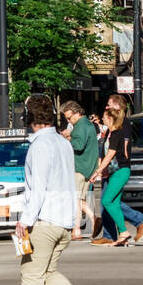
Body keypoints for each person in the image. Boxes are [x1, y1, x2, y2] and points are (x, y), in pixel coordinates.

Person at [7, 94, 99, 285]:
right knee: (47, 272)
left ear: (29, 117)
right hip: (63, 221)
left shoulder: (40, 146)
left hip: (43, 220)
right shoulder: (62, 143)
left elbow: (38, 187)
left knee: (32, 275)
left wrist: (25, 220)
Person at [91, 108, 133, 247]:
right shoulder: (110, 133)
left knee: (107, 200)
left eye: (104, 116)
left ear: (110, 119)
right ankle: (122, 235)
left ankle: (124, 232)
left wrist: (97, 172)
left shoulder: (116, 133)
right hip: (116, 172)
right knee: (114, 202)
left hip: (121, 170)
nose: (102, 119)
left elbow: (110, 155)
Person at [61, 102, 96, 241]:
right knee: (79, 199)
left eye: (69, 118)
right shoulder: (88, 124)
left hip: (79, 166)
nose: (68, 121)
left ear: (77, 113)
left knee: (76, 199)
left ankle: (77, 230)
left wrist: (66, 139)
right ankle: (93, 221)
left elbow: (78, 145)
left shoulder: (80, 126)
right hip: (88, 167)